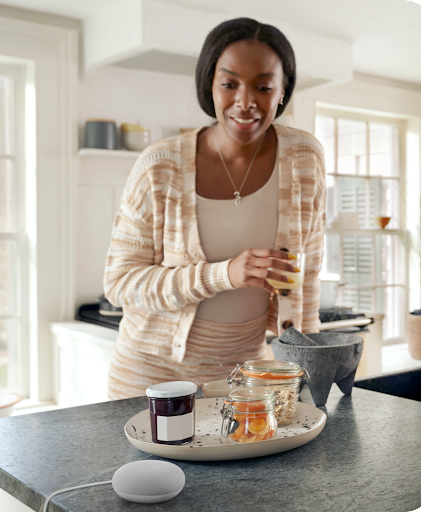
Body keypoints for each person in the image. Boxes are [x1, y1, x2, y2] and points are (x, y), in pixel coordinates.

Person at [104, 17, 326, 400]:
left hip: (249, 379)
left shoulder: (305, 157)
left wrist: (308, 376)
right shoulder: (160, 165)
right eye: (229, 84)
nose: (245, 101)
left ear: (282, 91)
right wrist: (225, 274)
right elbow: (120, 283)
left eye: (263, 86)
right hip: (151, 375)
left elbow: (307, 276)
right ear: (210, 84)